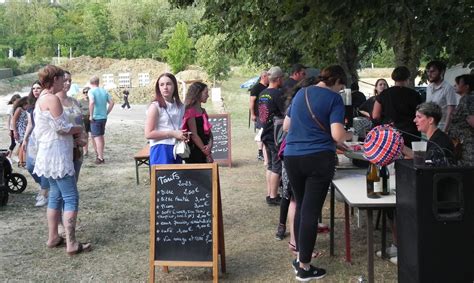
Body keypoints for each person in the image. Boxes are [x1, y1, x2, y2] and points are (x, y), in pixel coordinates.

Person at [283, 65, 351, 281]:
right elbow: (337, 134)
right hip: (318, 158)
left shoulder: (301, 92)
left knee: (302, 206)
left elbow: (286, 125)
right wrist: (351, 135)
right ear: (337, 81)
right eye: (341, 86)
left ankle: (299, 256)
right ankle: (304, 266)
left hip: (293, 156)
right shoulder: (334, 99)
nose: (340, 91)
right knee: (311, 211)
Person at [34, 64, 90, 255]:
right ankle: (72, 243)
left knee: (55, 196)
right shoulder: (52, 99)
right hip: (57, 154)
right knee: (71, 197)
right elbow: (61, 128)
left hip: (47, 154)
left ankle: (53, 237)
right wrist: (77, 129)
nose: (64, 82)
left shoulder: (41, 98)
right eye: (62, 79)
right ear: (54, 79)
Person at [372, 66, 422, 148]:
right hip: (411, 134)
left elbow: (375, 115)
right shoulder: (415, 95)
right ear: (408, 78)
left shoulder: (384, 94)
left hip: (390, 134)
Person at [258, 66, 286, 206]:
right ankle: (274, 197)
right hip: (275, 134)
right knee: (277, 166)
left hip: (265, 132)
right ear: (279, 78)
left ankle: (269, 193)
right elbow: (285, 113)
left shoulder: (262, 93)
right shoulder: (278, 94)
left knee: (269, 165)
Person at [144, 73, 187, 165]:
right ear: (158, 88)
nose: (165, 87)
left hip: (177, 148)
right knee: (163, 178)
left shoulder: (180, 106)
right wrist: (172, 133)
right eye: (162, 84)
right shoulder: (155, 107)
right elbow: (148, 133)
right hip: (161, 148)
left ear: (174, 86)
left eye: (168, 84)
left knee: (177, 178)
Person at [22, 81, 50, 207]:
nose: (35, 90)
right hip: (34, 138)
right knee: (30, 165)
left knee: (43, 166)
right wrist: (25, 139)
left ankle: (44, 193)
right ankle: (45, 187)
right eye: (33, 88)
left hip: (45, 137)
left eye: (38, 88)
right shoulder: (31, 106)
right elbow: (30, 124)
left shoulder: (47, 102)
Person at [56, 71, 87, 181]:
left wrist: (84, 137)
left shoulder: (74, 101)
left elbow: (82, 123)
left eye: (70, 81)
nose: (68, 83)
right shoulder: (53, 102)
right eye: (65, 81)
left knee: (74, 180)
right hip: (62, 148)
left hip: (77, 150)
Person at [182, 82, 213, 163]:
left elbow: (208, 131)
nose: (208, 95)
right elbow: (194, 134)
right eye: (206, 93)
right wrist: (205, 151)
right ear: (198, 93)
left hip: (205, 147)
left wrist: (210, 145)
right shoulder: (190, 111)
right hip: (195, 150)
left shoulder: (203, 111)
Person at [425, 60, 459, 132]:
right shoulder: (429, 87)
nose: (429, 74)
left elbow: (451, 112)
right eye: (428, 71)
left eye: (432, 71)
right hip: (430, 125)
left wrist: (445, 131)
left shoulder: (448, 88)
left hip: (443, 126)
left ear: (442, 72)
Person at [88, 75, 114, 164]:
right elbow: (112, 102)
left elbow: (91, 102)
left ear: (90, 83)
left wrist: (91, 115)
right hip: (103, 117)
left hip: (96, 117)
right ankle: (100, 154)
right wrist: (106, 112)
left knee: (97, 137)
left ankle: (100, 157)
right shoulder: (104, 91)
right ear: (98, 82)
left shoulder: (91, 91)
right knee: (101, 136)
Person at [449, 74, 474, 165]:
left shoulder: (468, 99)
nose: (455, 85)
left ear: (467, 87)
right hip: (463, 143)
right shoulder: (465, 99)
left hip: (468, 145)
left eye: (458, 83)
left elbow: (472, 120)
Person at [249, 70, 269, 161]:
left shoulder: (268, 87)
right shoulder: (256, 88)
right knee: (261, 132)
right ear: (264, 77)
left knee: (264, 132)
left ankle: (265, 152)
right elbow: (251, 102)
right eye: (268, 76)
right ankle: (260, 153)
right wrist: (253, 114)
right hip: (259, 114)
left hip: (268, 114)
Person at [11, 96, 29, 167]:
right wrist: (15, 131)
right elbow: (14, 120)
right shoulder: (19, 109)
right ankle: (22, 162)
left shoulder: (25, 110)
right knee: (23, 145)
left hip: (24, 129)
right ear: (24, 103)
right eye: (28, 103)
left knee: (22, 145)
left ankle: (22, 162)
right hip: (20, 130)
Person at [5, 94, 21, 159]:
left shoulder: (20, 109)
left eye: (19, 101)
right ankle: (8, 156)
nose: (17, 103)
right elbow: (8, 121)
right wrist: (9, 130)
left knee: (21, 142)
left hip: (19, 128)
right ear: (13, 101)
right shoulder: (10, 109)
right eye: (16, 101)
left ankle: (18, 155)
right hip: (12, 128)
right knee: (13, 143)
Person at [78, 87, 92, 156]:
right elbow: (78, 110)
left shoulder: (92, 100)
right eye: (84, 92)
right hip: (84, 119)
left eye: (87, 92)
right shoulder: (80, 101)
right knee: (85, 135)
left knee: (94, 136)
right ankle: (85, 151)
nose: (86, 93)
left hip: (92, 118)